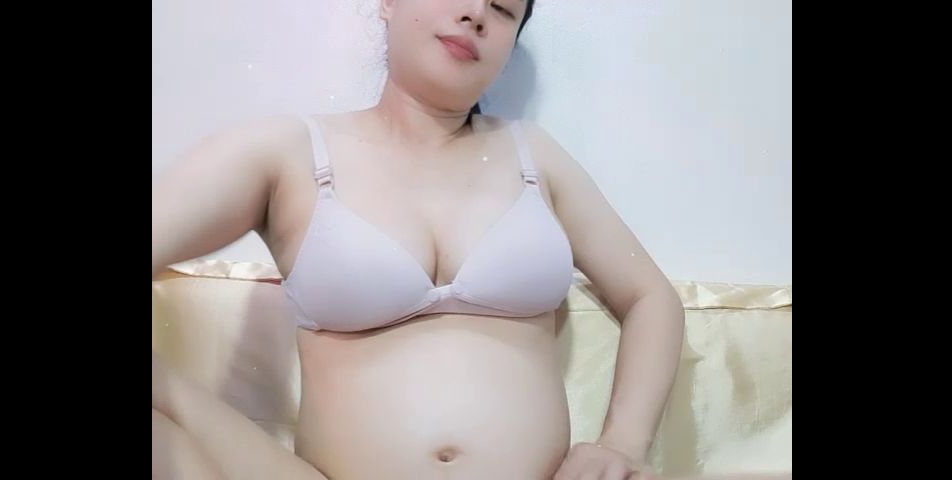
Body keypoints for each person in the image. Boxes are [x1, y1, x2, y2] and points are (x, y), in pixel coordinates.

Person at [152, 0, 690, 478]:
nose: (476, 13)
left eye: (504, 10)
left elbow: (650, 297)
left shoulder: (534, 155)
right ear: (388, 2)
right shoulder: (286, 152)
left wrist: (623, 444)